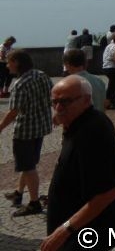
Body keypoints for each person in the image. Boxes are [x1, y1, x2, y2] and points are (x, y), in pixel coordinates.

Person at [41, 75, 115, 251]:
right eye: (54, 102)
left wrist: (64, 230)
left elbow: (107, 193)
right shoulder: (80, 121)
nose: (58, 108)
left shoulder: (91, 132)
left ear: (86, 100)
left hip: (90, 229)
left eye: (65, 102)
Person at [0, 50, 52, 216]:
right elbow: (53, 95)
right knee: (29, 163)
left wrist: (0, 126)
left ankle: (34, 202)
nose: (7, 65)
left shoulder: (20, 84)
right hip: (40, 128)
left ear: (16, 62)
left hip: (25, 132)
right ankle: (18, 193)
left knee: (28, 166)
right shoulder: (41, 75)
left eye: (9, 62)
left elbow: (14, 111)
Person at [63, 49, 107, 114]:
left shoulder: (68, 84)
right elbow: (104, 105)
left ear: (67, 64)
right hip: (100, 120)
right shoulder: (99, 80)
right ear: (85, 63)